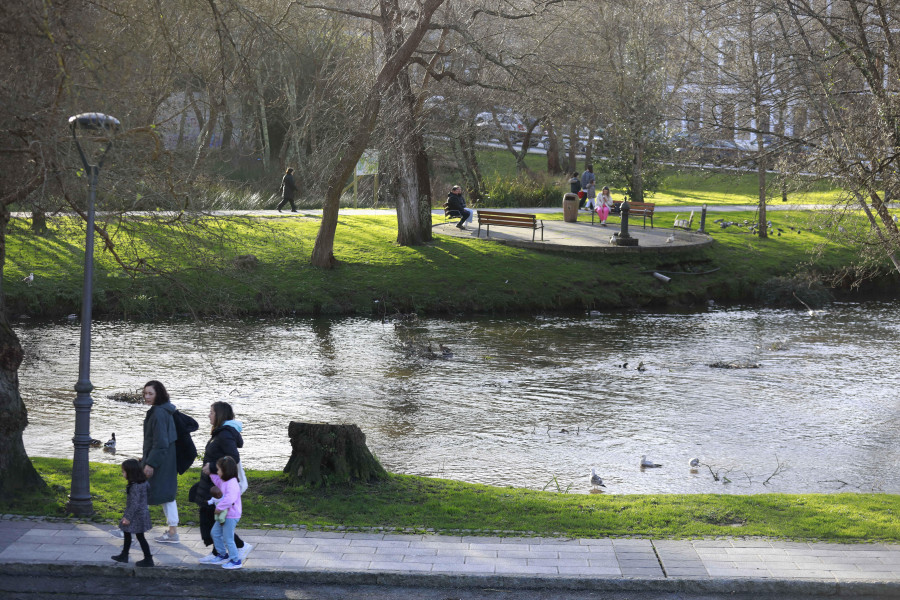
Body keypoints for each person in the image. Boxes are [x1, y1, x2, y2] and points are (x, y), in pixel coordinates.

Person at [194, 401, 251, 563]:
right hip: (212, 482)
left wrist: (212, 466)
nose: (209, 415)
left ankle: (234, 548)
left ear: (219, 414)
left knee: (212, 517)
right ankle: (219, 552)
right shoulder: (220, 432)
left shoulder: (225, 433)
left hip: (218, 483)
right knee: (210, 517)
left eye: (211, 412)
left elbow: (234, 458)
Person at [141, 380, 180, 544]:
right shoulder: (165, 410)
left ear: (159, 394)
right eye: (145, 393)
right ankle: (172, 531)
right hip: (166, 459)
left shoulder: (158, 412)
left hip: (160, 460)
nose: (146, 397)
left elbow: (160, 442)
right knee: (166, 495)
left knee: (140, 492)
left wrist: (150, 463)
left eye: (150, 393)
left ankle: (128, 527)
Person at [111, 459, 154, 567]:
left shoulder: (135, 486)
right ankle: (124, 555)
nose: (123, 474)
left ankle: (148, 559)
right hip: (142, 512)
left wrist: (128, 517)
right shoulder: (143, 482)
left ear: (130, 473)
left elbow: (134, 504)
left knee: (140, 536)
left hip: (136, 515)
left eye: (124, 471)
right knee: (128, 533)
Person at [208, 456, 244, 569]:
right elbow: (218, 481)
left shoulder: (232, 483)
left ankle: (235, 560)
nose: (217, 471)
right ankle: (223, 555)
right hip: (224, 515)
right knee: (215, 533)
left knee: (228, 538)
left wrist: (219, 507)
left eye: (219, 470)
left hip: (231, 515)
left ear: (226, 471)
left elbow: (230, 498)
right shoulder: (225, 481)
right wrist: (211, 473)